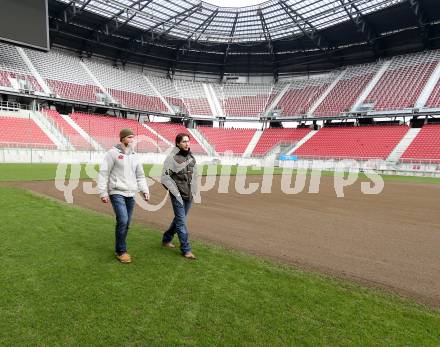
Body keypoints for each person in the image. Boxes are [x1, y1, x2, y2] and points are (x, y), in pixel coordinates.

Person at [98, 128, 150, 263]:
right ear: (122, 138)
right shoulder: (112, 153)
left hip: (131, 193)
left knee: (126, 223)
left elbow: (140, 176)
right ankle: (121, 251)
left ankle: (119, 248)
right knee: (123, 220)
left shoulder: (135, 156)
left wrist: (145, 190)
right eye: (129, 137)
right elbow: (103, 173)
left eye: (133, 138)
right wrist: (103, 193)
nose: (132, 140)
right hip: (117, 192)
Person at [161, 133, 198, 260]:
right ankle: (186, 249)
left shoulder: (192, 158)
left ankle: (166, 239)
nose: (187, 144)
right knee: (181, 222)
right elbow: (165, 178)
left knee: (178, 220)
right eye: (184, 142)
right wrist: (175, 192)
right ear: (177, 143)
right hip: (178, 195)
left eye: (188, 141)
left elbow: (194, 176)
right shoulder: (172, 158)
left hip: (189, 195)